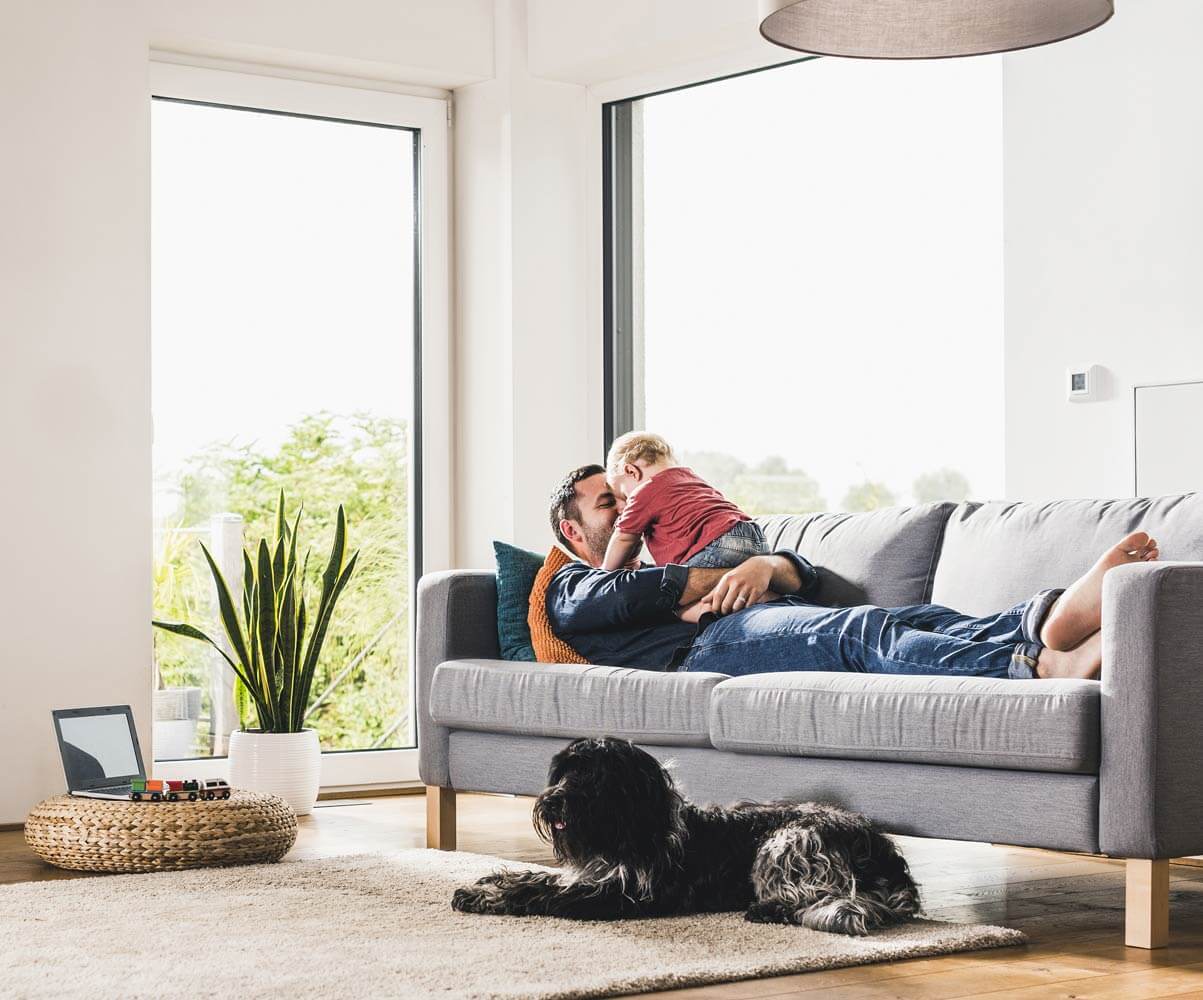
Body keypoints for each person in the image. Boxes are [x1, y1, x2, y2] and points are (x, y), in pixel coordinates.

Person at [545, 464, 1159, 680]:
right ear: (574, 533)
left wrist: (765, 564)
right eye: (609, 504)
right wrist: (722, 583)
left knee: (916, 618)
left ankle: (1047, 621)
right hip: (702, 647)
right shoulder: (571, 586)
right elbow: (631, 595)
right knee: (858, 632)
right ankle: (1042, 666)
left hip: (761, 617)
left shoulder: (672, 547)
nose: (627, 508)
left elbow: (805, 575)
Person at [600, 431, 767, 572]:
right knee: (737, 590)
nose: (623, 507)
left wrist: (603, 574)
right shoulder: (689, 478)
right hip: (754, 536)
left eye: (623, 495)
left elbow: (623, 538)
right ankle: (768, 595)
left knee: (674, 593)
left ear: (631, 471)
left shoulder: (644, 492)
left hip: (719, 544)